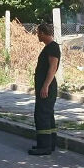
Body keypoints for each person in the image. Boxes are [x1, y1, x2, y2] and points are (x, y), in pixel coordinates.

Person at [30, 23, 60, 156]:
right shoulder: (50, 47)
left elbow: (52, 68)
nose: (37, 35)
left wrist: (45, 86)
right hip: (45, 87)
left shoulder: (52, 47)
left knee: (41, 115)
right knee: (47, 115)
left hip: (47, 88)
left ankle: (44, 146)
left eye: (38, 33)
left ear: (43, 33)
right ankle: (50, 144)